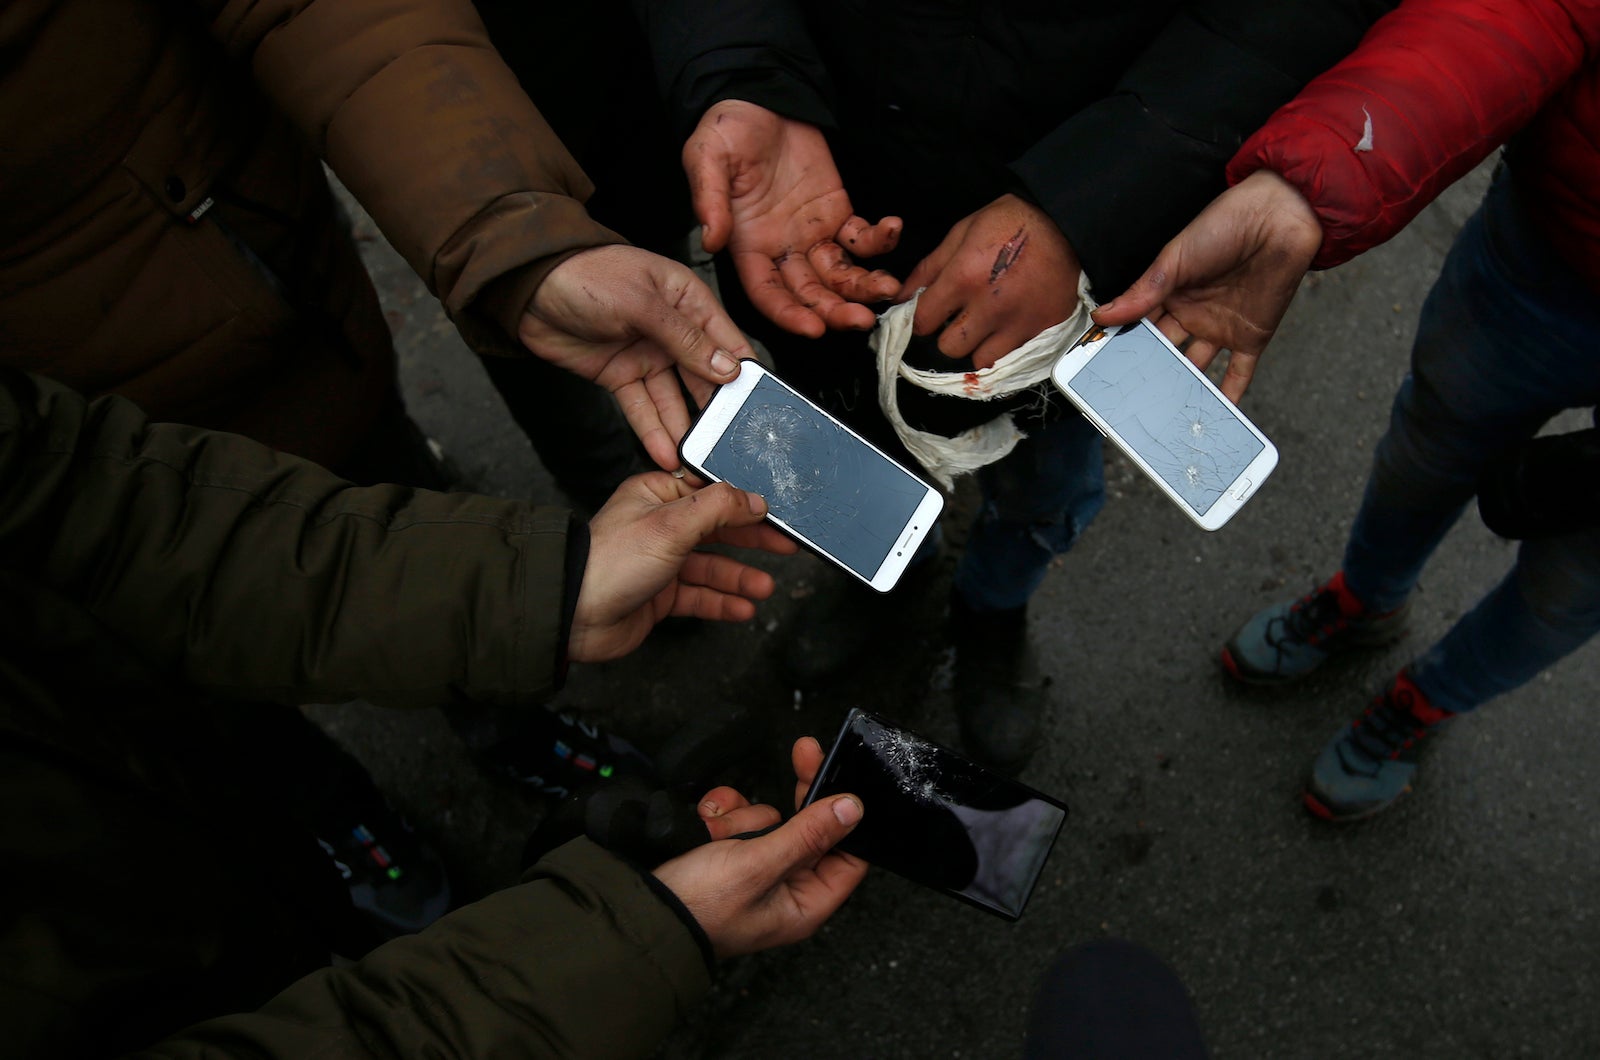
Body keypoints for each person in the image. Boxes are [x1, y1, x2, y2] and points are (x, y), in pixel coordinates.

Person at [0, 366, 870, 1056]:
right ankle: (347, 825)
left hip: (178, 807)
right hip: (163, 869)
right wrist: (643, 935)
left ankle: (496, 742)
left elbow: (99, 499)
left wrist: (544, 596)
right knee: (264, 770)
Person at [634, 0, 1398, 773]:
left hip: (1087, 259)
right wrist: (742, 71)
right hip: (820, 219)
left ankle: (992, 610)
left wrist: (1084, 202)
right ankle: (887, 573)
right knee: (841, 454)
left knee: (1044, 487)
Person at [1092, 0, 1600, 819]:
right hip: (1550, 258)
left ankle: (1428, 700)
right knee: (1426, 453)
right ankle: (1366, 600)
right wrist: (1312, 180)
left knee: (1573, 586)